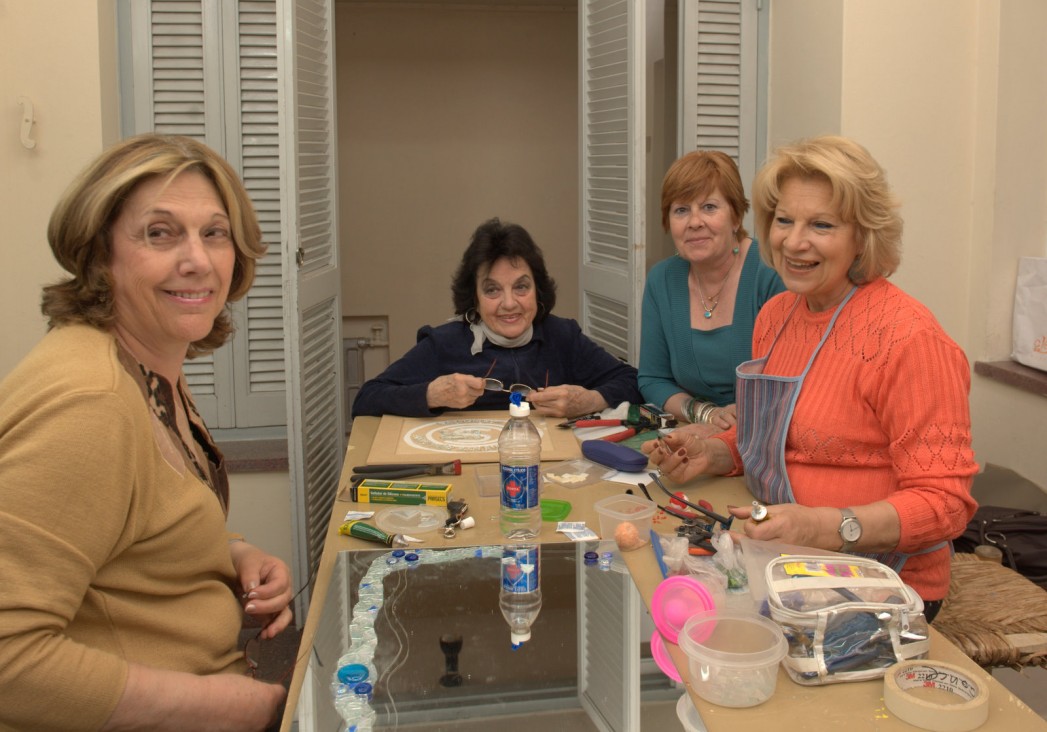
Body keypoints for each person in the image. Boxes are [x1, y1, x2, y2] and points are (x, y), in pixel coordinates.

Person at [0, 134, 294, 731]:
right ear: (99, 252)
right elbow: (9, 655)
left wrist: (231, 551)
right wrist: (236, 707)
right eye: (160, 233)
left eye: (214, 233)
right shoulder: (91, 403)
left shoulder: (148, 368)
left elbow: (129, 523)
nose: (197, 260)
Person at [643, 136, 978, 618]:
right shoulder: (778, 315)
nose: (794, 242)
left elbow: (945, 506)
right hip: (785, 563)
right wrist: (713, 452)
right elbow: (771, 438)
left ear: (863, 235)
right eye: (784, 221)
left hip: (882, 586)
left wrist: (824, 528)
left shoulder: (910, 340)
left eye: (821, 225)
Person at [352, 218, 642, 419]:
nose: (508, 303)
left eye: (521, 287)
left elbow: (632, 381)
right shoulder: (444, 343)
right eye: (492, 290)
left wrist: (588, 401)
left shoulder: (562, 336)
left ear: (537, 290)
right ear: (474, 298)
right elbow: (367, 399)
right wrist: (431, 394)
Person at [639, 151, 784, 437]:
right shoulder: (661, 280)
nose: (694, 222)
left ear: (735, 215)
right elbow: (652, 379)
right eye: (681, 210)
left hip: (766, 436)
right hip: (692, 434)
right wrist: (704, 413)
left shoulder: (771, 273)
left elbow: (786, 384)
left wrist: (729, 427)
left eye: (709, 207)